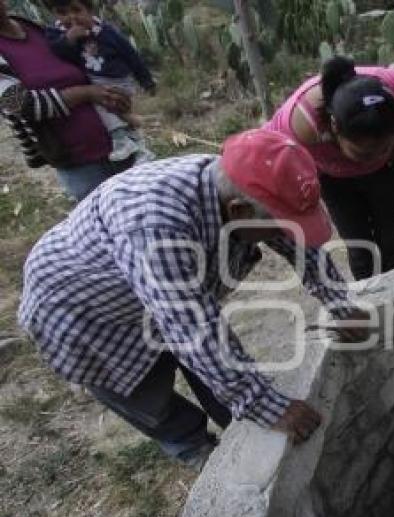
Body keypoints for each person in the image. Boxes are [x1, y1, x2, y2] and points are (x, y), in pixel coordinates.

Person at [18, 130, 365, 469]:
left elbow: (297, 240)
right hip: (82, 310)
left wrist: (338, 302)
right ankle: (193, 449)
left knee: (217, 376)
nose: (283, 235)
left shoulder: (244, 180)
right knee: (147, 397)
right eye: (279, 226)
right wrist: (266, 404)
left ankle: (238, 429)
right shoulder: (154, 225)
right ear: (240, 211)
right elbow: (194, 330)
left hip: (156, 290)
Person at [265, 56, 394, 281]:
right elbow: (265, 147)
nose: (374, 157)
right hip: (335, 181)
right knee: (358, 245)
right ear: (334, 127)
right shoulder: (300, 123)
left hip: (388, 171)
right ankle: (371, 300)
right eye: (363, 153)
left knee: (391, 238)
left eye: (385, 146)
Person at [0, 0, 135, 201]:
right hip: (79, 162)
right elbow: (20, 104)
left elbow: (88, 63)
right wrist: (87, 93)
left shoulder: (36, 29)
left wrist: (115, 94)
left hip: (119, 142)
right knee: (104, 223)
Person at [45, 0, 156, 163]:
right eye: (62, 12)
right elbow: (58, 53)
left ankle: (121, 140)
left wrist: (146, 81)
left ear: (90, 10)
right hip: (94, 79)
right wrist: (69, 39)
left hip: (117, 79)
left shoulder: (107, 32)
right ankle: (141, 150)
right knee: (116, 111)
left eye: (77, 10)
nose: (71, 17)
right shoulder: (56, 34)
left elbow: (131, 55)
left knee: (107, 106)